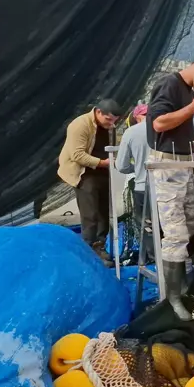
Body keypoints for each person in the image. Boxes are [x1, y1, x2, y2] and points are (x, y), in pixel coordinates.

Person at [147, 54, 194, 320]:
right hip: (167, 166)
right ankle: (173, 298)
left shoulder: (187, 91)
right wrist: (193, 107)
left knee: (188, 228)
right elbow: (159, 123)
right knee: (175, 233)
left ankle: (182, 288)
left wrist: (193, 148)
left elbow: (176, 129)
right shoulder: (170, 84)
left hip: (183, 164)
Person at [58, 98, 122, 267]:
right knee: (90, 214)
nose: (111, 124)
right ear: (98, 112)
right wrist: (103, 163)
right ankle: (87, 250)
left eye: (114, 121)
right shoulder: (79, 125)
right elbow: (77, 155)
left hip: (102, 171)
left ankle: (99, 246)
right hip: (84, 172)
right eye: (108, 119)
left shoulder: (110, 126)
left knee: (103, 212)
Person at [116, 104, 155, 262]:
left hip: (143, 186)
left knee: (147, 225)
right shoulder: (167, 128)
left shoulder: (131, 132)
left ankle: (152, 259)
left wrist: (137, 167)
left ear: (137, 117)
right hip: (169, 186)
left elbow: (121, 165)